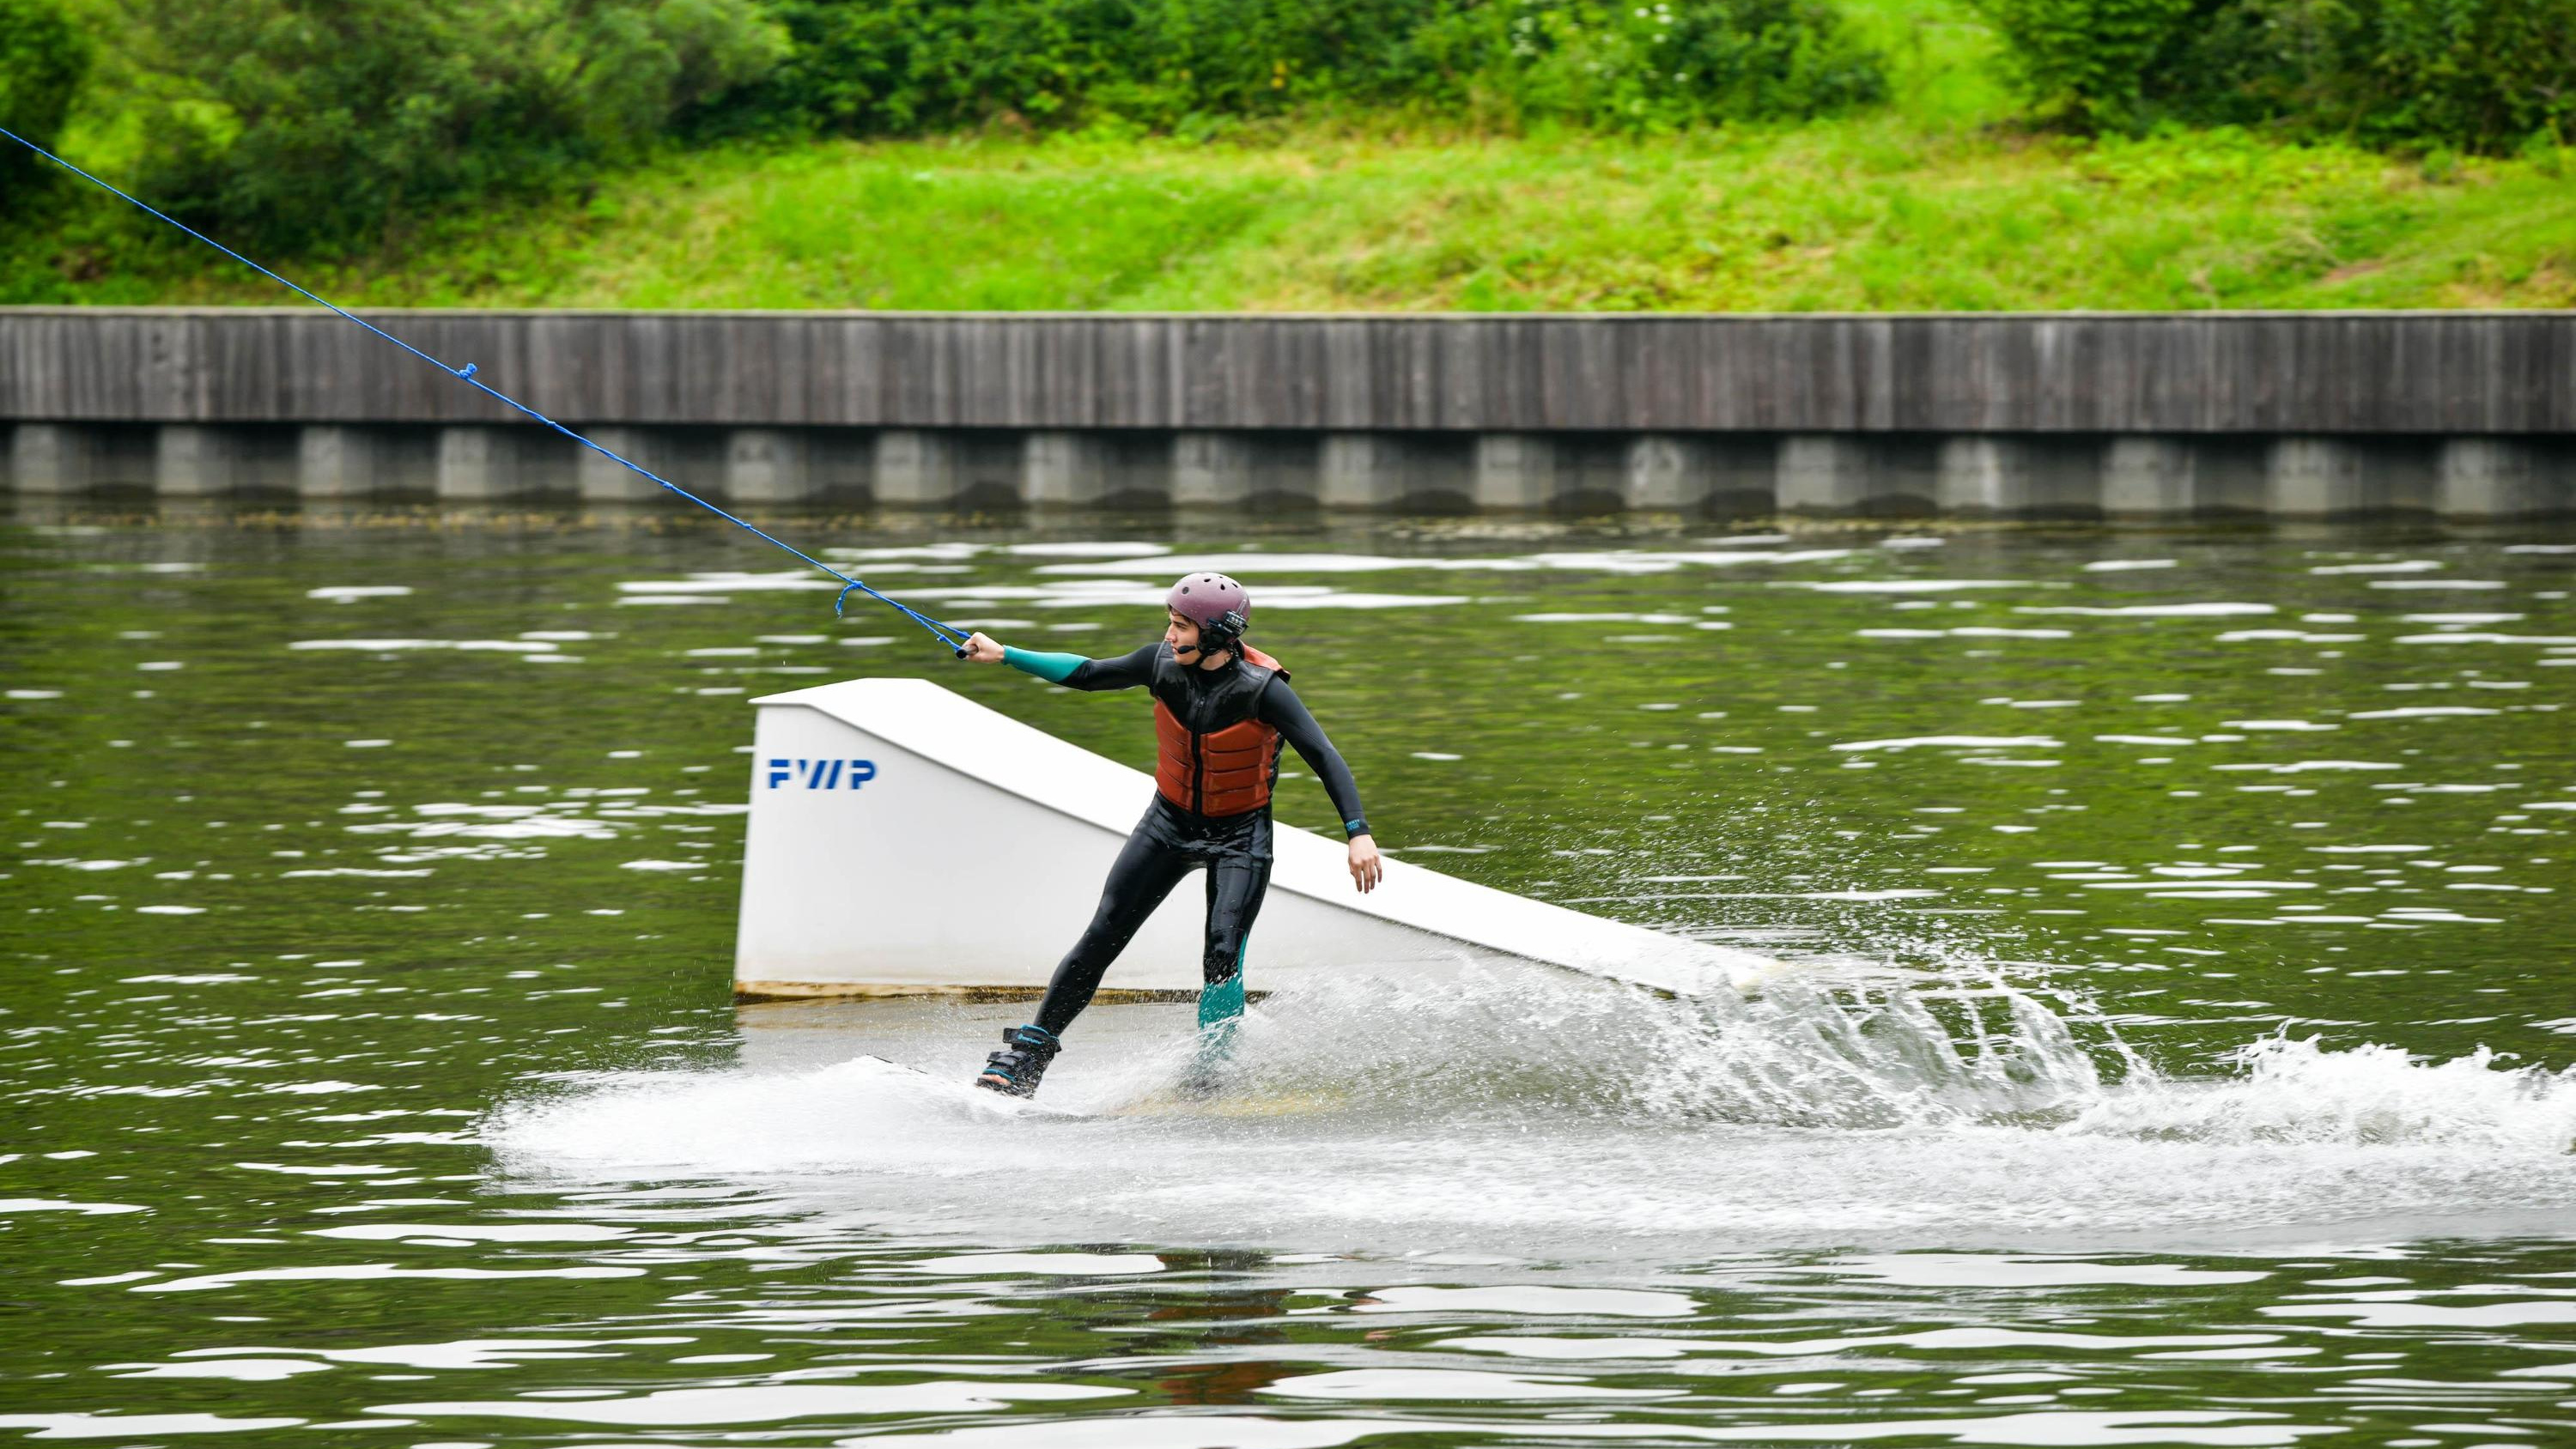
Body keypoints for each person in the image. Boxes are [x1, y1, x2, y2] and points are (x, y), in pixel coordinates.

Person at [957, 572, 1381, 1098]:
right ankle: (1026, 1057)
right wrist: (1007, 654)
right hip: (1168, 822)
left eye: (1181, 626)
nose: (1169, 634)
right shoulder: (1159, 663)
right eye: (1170, 622)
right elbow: (1088, 673)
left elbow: (1325, 756)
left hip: (1240, 836)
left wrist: (1357, 833)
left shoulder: (1263, 689)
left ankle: (1210, 1073)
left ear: (1216, 636)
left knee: (1222, 954)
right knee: (1103, 934)